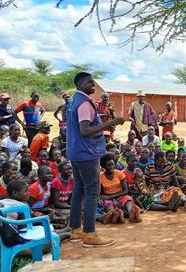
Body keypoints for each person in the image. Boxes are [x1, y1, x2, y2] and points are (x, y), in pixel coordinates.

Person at [67, 72, 124, 247]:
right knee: (92, 191)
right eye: (89, 82)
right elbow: (85, 130)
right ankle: (90, 234)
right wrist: (111, 123)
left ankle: (76, 229)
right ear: (79, 84)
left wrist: (104, 119)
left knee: (79, 189)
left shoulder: (74, 101)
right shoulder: (84, 103)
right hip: (87, 153)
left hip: (76, 152)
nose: (93, 84)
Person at [99, 153, 141, 223]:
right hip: (108, 198)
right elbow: (100, 193)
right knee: (107, 204)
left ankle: (129, 212)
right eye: (108, 165)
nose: (111, 167)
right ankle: (117, 213)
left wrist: (111, 196)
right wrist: (108, 198)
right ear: (103, 166)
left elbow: (126, 191)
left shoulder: (119, 173)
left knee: (127, 201)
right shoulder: (100, 176)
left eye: (113, 164)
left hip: (121, 196)